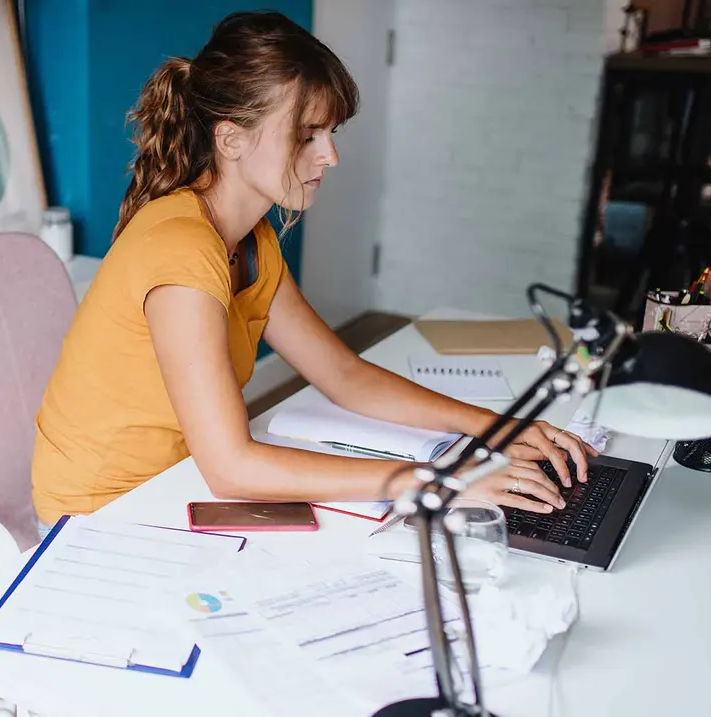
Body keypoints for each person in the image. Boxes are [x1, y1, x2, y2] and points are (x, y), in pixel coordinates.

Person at [30, 11, 596, 535]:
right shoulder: (182, 248)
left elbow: (345, 376)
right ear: (230, 139)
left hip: (175, 484)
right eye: (306, 136)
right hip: (101, 515)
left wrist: (498, 428)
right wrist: (438, 481)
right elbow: (231, 467)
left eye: (330, 133)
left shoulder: (252, 239)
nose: (330, 156)